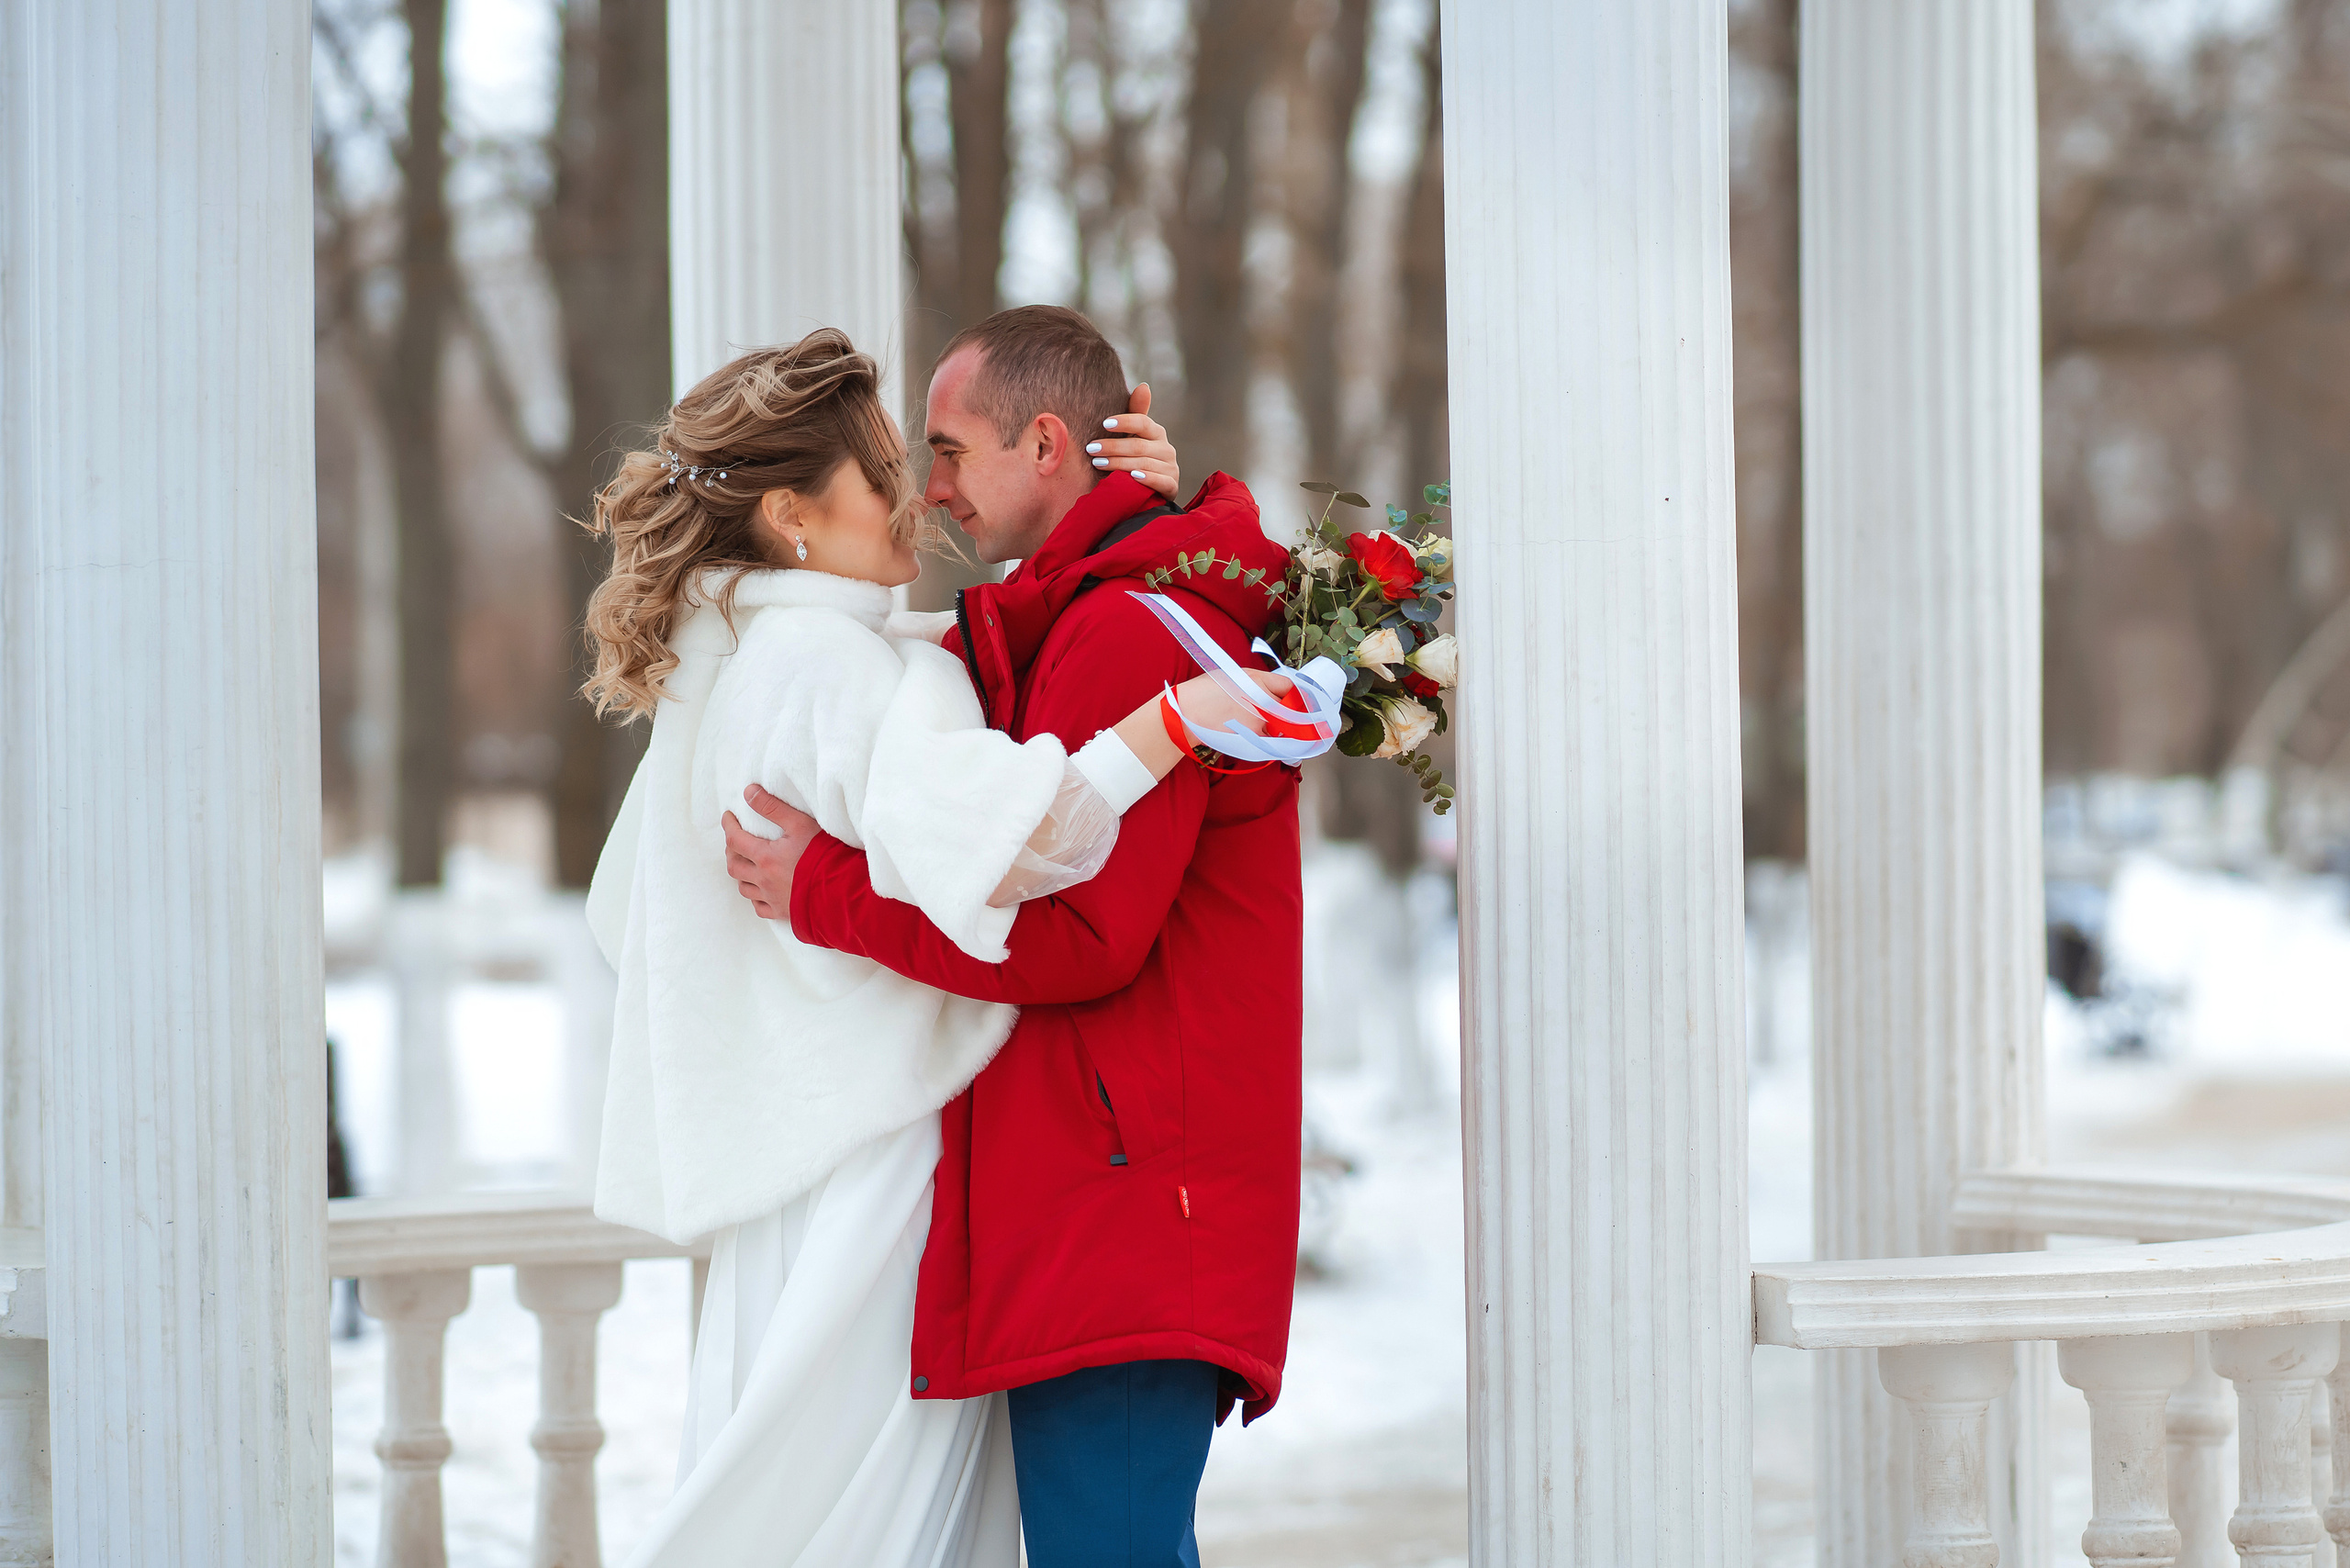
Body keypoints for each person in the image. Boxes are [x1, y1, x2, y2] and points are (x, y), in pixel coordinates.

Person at [581, 327, 1281, 1568]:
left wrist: (1150, 519)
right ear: (793, 516)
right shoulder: (824, 665)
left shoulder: (752, 652)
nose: (923, 495)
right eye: (892, 471)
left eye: (940, 456)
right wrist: (1174, 719)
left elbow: (989, 660)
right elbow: (1032, 851)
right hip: (881, 1185)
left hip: (834, 1179)